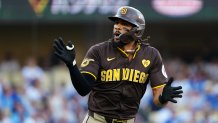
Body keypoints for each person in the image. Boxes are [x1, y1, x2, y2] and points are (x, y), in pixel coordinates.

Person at [53, 6, 183, 123]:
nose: (118, 26)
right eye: (117, 22)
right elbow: (83, 89)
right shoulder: (98, 51)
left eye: (124, 23)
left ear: (137, 31)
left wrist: (163, 98)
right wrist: (72, 65)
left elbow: (157, 99)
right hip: (97, 119)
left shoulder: (151, 55)